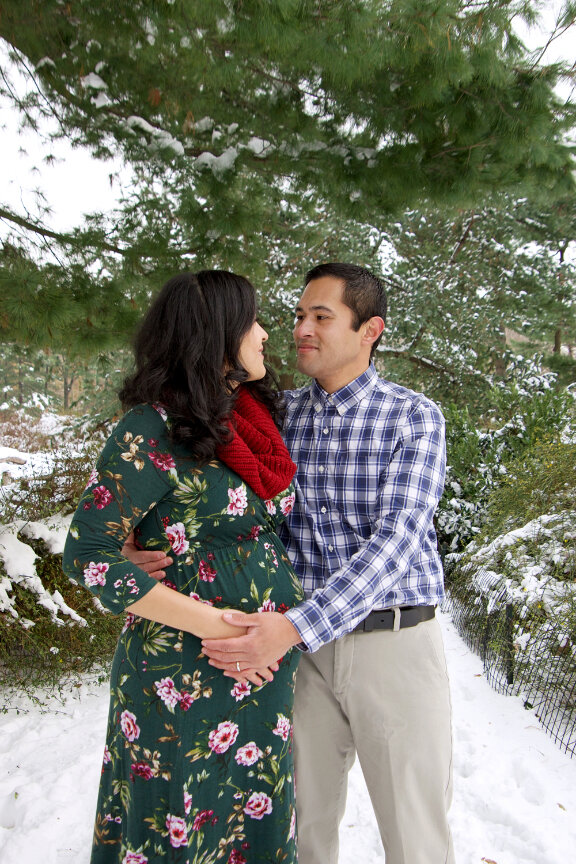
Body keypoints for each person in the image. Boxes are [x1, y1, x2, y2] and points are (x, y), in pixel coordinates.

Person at [199, 263, 455, 864]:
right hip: (299, 658)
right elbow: (211, 499)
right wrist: (140, 541)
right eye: (297, 316)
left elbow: (396, 542)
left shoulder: (414, 418)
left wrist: (293, 626)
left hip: (393, 646)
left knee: (415, 837)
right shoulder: (276, 416)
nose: (301, 329)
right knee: (299, 832)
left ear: (370, 330)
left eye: (322, 316)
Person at [62, 270, 304, 864]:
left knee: (249, 819)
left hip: (261, 668)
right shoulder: (151, 427)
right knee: (182, 820)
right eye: (252, 321)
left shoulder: (249, 418)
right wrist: (216, 624)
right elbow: (87, 555)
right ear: (217, 333)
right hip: (183, 674)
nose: (266, 333)